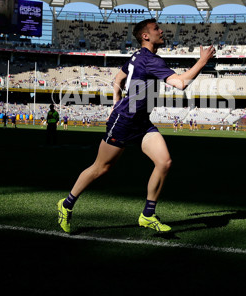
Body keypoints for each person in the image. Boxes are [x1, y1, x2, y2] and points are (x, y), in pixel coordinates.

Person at [57, 18, 215, 233]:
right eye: (156, 29)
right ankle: (66, 205)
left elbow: (118, 79)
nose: (161, 31)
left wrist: (115, 102)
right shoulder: (150, 60)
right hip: (124, 122)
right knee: (101, 168)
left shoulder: (137, 57)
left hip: (141, 123)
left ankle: (147, 215)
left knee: (164, 162)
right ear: (145, 36)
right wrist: (202, 61)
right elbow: (180, 83)